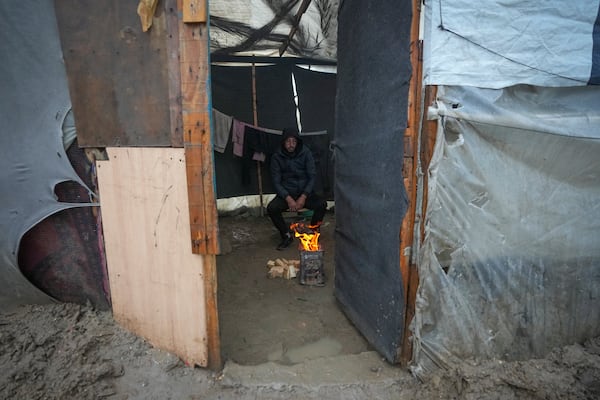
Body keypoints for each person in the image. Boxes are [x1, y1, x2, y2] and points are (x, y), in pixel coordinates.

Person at [267, 128, 327, 250]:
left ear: (297, 142)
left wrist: (303, 196)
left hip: (304, 193)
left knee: (322, 204)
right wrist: (288, 198)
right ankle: (286, 235)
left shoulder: (306, 153)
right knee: (272, 208)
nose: (291, 144)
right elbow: (276, 181)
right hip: (287, 193)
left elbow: (312, 177)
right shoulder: (277, 156)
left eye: (294, 141)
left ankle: (313, 231)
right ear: (283, 142)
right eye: (288, 141)